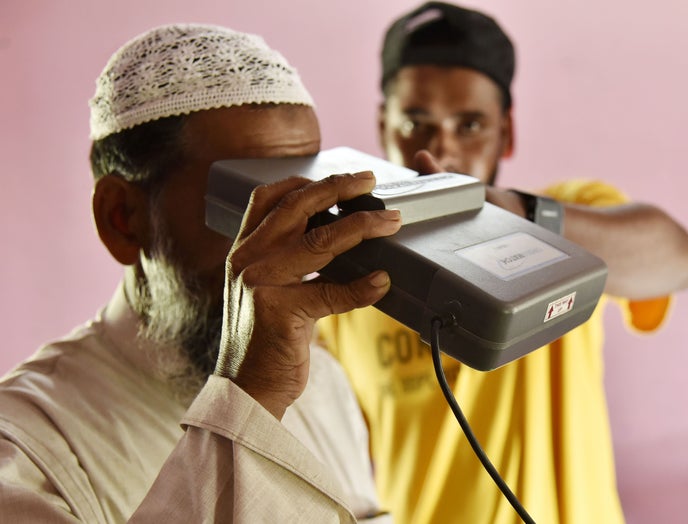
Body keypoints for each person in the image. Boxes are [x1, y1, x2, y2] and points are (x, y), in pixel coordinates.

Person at [316, 3, 688, 523]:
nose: (441, 147)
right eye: (415, 122)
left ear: (507, 132)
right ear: (383, 125)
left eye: (470, 124)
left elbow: (675, 259)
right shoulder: (346, 278)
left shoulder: (561, 217)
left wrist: (520, 216)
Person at [0, 24, 398, 522]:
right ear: (121, 218)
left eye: (299, 209)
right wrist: (249, 396)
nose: (284, 248)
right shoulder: (27, 448)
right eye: (247, 207)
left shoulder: (323, 381)